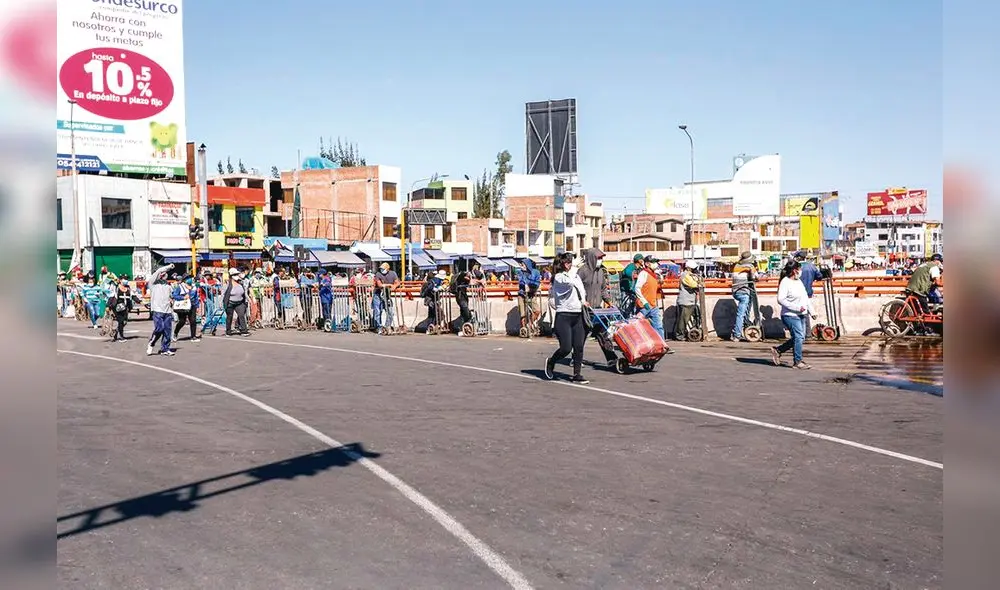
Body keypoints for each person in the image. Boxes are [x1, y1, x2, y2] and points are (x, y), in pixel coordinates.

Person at [544, 252, 590, 383]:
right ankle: (551, 362)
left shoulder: (575, 276)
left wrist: (583, 302)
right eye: (569, 262)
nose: (572, 264)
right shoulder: (559, 277)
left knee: (579, 346)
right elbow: (568, 285)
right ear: (564, 264)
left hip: (578, 314)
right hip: (564, 316)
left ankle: (577, 374)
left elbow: (581, 290)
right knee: (566, 348)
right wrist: (574, 268)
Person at [770, 260, 816, 369]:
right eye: (799, 269)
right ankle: (798, 362)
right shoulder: (785, 282)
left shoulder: (798, 281)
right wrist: (796, 307)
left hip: (801, 314)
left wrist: (812, 311)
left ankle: (778, 350)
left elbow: (805, 297)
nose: (801, 271)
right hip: (790, 315)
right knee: (799, 337)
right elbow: (780, 299)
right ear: (795, 270)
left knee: (800, 337)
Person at [576, 248, 617, 366]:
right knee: (581, 336)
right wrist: (582, 301)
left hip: (597, 310)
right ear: (591, 258)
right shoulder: (582, 271)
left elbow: (603, 289)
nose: (600, 260)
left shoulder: (601, 272)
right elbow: (576, 289)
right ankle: (576, 359)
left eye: (601, 258)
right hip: (584, 309)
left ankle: (611, 359)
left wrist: (608, 301)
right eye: (599, 258)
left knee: (603, 334)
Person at [905, 253, 943, 334]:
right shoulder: (934, 267)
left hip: (910, 287)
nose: (941, 264)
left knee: (916, 311)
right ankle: (928, 330)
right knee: (926, 312)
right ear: (938, 261)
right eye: (941, 262)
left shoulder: (924, 264)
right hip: (918, 290)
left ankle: (918, 329)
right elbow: (938, 282)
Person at [146, 263, 176, 356]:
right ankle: (151, 343)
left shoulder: (168, 285)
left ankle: (165, 349)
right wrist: (168, 267)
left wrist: (172, 301)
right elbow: (159, 271)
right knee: (159, 329)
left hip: (167, 311)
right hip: (157, 310)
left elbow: (172, 296)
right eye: (162, 273)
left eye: (165, 274)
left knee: (167, 331)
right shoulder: (153, 283)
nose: (164, 275)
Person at [633, 255, 665, 337]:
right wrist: (644, 302)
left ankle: (662, 346)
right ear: (647, 264)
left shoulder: (653, 274)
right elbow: (637, 288)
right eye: (653, 262)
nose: (656, 264)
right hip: (644, 306)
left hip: (653, 305)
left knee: (658, 327)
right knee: (639, 328)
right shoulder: (643, 274)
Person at [730, 251, 757, 341]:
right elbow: (755, 278)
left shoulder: (736, 266)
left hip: (735, 291)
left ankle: (743, 326)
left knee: (743, 312)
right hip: (744, 292)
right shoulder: (750, 266)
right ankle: (737, 334)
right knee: (741, 314)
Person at [794, 251, 821, 338]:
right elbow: (819, 276)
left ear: (798, 258)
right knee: (804, 311)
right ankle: (806, 332)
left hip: (796, 293)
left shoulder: (796, 267)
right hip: (808, 291)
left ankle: (805, 333)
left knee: (800, 313)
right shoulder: (811, 266)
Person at [673, 260, 701, 341]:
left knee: (695, 316)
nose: (695, 269)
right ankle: (680, 335)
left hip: (691, 301)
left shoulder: (690, 275)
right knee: (683, 320)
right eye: (693, 268)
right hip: (685, 301)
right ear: (688, 268)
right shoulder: (685, 275)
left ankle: (686, 332)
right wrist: (698, 282)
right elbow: (694, 284)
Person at [372, 262, 400, 331]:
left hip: (387, 294)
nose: (382, 270)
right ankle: (379, 327)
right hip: (378, 294)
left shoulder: (393, 273)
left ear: (387, 269)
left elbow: (397, 282)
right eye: (381, 269)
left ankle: (387, 326)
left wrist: (395, 286)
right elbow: (379, 285)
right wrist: (390, 285)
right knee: (378, 311)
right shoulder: (378, 274)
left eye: (383, 269)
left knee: (390, 311)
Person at [171, 275, 200, 342]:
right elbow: (174, 295)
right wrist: (183, 297)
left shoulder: (194, 287)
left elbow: (196, 297)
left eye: (190, 278)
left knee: (193, 321)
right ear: (184, 280)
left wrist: (197, 306)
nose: (190, 279)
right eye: (188, 278)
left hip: (192, 305)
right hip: (183, 306)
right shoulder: (180, 287)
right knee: (182, 321)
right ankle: (175, 333)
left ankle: (193, 336)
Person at [223, 268, 250, 337]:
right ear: (231, 276)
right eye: (234, 274)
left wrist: (249, 299)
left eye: (237, 274)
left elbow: (245, 292)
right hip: (230, 303)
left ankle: (244, 331)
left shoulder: (241, 283)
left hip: (240, 302)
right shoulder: (227, 284)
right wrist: (223, 304)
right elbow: (224, 294)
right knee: (229, 317)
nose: (236, 276)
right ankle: (228, 331)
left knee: (241, 315)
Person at [518, 259, 542, 335]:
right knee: (523, 314)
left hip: (532, 293)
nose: (521, 266)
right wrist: (527, 282)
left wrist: (531, 285)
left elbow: (537, 282)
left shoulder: (536, 272)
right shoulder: (520, 272)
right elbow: (521, 281)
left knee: (537, 310)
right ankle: (524, 328)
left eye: (523, 264)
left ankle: (530, 324)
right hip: (522, 294)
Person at [452, 268, 474, 333]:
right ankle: (463, 328)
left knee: (463, 313)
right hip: (460, 297)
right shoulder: (459, 279)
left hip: (464, 297)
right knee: (465, 311)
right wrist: (467, 273)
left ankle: (462, 328)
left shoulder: (463, 280)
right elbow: (462, 275)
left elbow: (469, 282)